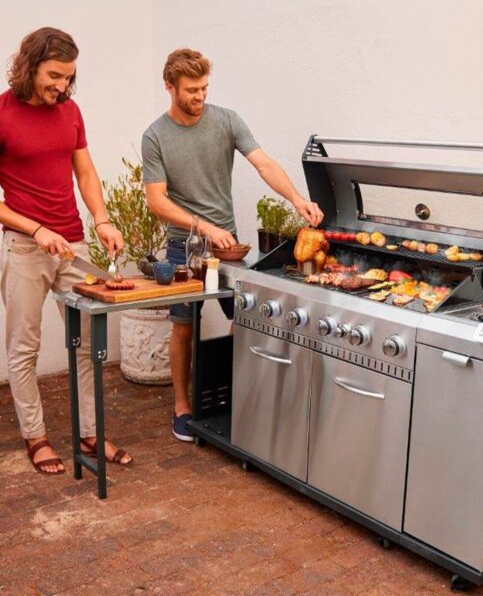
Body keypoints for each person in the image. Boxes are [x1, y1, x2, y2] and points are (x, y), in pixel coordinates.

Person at [142, 48, 323, 442]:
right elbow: (157, 200)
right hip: (183, 249)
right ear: (169, 87)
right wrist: (204, 227)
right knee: (183, 327)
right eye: (191, 89)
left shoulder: (226, 120)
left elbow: (264, 164)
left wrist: (297, 199)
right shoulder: (155, 136)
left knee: (246, 318)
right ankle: (182, 406)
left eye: (204, 87)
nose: (200, 96)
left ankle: (244, 398)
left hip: (228, 249)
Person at [0, 27, 132, 474]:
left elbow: (86, 172)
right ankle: (35, 437)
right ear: (30, 65)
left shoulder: (71, 111)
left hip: (70, 244)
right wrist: (36, 229)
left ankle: (89, 432)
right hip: (24, 247)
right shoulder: (2, 113)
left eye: (68, 77)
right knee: (24, 347)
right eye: (54, 75)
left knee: (87, 344)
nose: (62, 85)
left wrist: (103, 218)